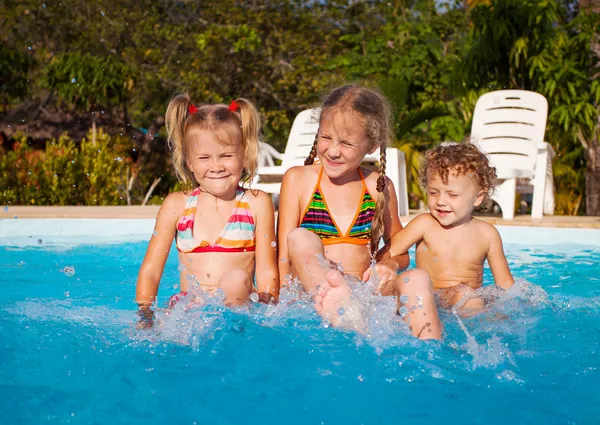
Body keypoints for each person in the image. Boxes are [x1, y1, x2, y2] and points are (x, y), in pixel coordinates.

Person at [277, 84, 442, 340]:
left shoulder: (379, 186)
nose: (332, 150)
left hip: (366, 295)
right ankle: (340, 303)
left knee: (417, 279)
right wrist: (280, 303)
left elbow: (400, 251)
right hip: (315, 295)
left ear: (372, 145)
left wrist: (387, 263)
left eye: (346, 143)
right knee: (299, 238)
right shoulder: (299, 179)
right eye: (326, 137)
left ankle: (432, 354)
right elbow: (285, 257)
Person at [135, 94, 279, 328]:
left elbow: (266, 270)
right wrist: (145, 315)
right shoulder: (177, 205)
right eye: (204, 158)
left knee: (238, 279)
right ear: (189, 162)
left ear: (244, 155)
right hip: (189, 313)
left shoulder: (256, 203)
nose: (217, 166)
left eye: (227, 156)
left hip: (240, 309)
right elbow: (151, 270)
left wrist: (269, 313)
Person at [388, 142, 514, 313]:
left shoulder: (487, 234)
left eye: (452, 194)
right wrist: (389, 266)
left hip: (468, 302)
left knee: (479, 301)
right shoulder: (425, 224)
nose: (440, 201)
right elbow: (390, 252)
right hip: (429, 300)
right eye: (433, 192)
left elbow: (506, 285)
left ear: (477, 198)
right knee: (466, 295)